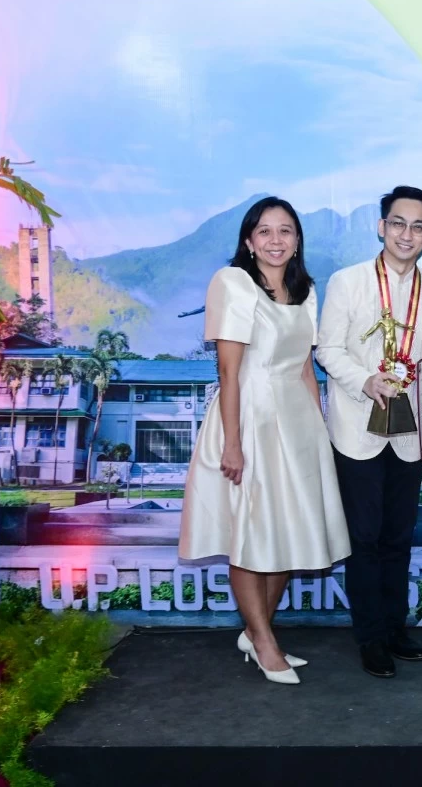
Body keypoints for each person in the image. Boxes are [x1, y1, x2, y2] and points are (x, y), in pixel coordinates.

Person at [178, 196, 350, 686]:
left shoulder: (306, 289)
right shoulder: (232, 282)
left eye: (286, 231)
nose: (276, 241)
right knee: (250, 531)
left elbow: (304, 367)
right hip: (248, 414)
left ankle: (257, 632)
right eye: (266, 232)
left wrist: (319, 429)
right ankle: (264, 639)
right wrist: (232, 444)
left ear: (297, 241)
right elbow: (228, 371)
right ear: (249, 241)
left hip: (296, 422)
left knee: (288, 530)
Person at [316, 186, 422, 679]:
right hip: (356, 427)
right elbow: (328, 349)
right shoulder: (348, 282)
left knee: (398, 537)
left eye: (417, 226)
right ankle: (370, 637)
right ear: (381, 227)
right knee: (364, 538)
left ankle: (396, 629)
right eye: (398, 223)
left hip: (411, 431)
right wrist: (364, 380)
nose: (406, 234)